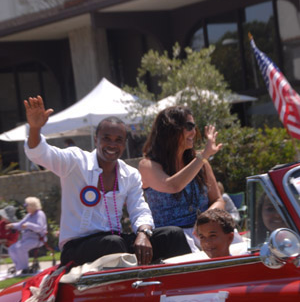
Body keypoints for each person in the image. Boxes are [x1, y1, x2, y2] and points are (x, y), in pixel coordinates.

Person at [23, 95, 191, 267]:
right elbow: (40, 154)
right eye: (106, 138)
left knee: (172, 234)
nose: (112, 145)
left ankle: (186, 288)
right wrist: (35, 129)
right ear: (96, 140)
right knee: (113, 244)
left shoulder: (130, 174)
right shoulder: (75, 161)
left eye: (118, 140)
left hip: (113, 240)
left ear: (124, 144)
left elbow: (140, 210)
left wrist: (143, 233)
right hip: (77, 248)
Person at [139, 105, 224, 252]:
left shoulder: (201, 163)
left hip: (204, 234)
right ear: (171, 130)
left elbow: (218, 200)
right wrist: (204, 155)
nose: (194, 131)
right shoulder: (147, 165)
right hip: (173, 241)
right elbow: (172, 186)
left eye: (194, 126)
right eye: (189, 126)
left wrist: (205, 220)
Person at [6, 197, 47, 273]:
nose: (26, 207)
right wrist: (12, 225)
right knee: (12, 248)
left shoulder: (40, 214)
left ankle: (25, 268)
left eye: (26, 205)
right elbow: (20, 224)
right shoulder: (29, 215)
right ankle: (19, 266)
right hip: (27, 239)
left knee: (21, 248)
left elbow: (39, 227)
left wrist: (28, 225)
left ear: (32, 206)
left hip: (37, 239)